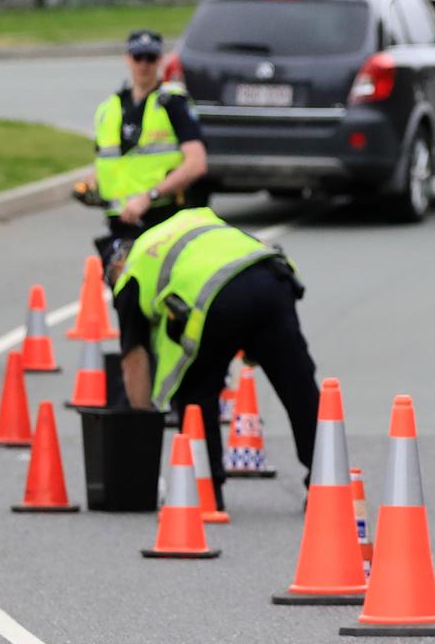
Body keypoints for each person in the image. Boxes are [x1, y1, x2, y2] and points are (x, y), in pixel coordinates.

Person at [111, 206, 319, 511]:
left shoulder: (130, 277)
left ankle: (207, 491)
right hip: (270, 277)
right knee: (299, 385)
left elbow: (134, 361)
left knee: (197, 393)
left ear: (117, 264)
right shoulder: (187, 221)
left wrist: (142, 432)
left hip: (216, 299)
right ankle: (326, 482)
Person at [79, 29, 209, 253]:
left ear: (161, 60)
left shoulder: (172, 102)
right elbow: (110, 160)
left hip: (162, 219)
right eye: (138, 57)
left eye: (150, 58)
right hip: (119, 223)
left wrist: (149, 196)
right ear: (127, 59)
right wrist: (91, 184)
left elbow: (197, 163)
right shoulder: (109, 108)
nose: (144, 65)